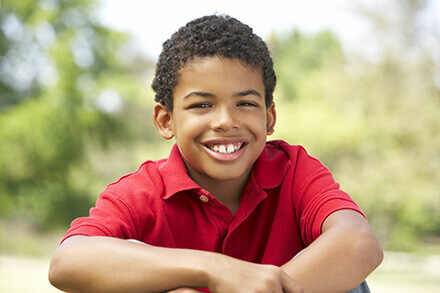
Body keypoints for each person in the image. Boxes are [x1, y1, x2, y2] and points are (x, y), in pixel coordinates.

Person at [49, 14, 383, 293]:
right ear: (166, 121)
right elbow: (67, 262)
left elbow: (359, 242)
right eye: (202, 105)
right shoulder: (142, 192)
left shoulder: (294, 169)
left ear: (269, 118)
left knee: (348, 279)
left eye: (246, 103)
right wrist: (211, 269)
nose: (226, 121)